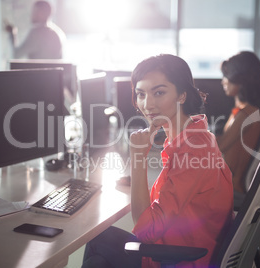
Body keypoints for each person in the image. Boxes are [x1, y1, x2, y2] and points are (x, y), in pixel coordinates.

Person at [82, 54, 234, 268]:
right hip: (190, 245)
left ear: (182, 95)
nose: (147, 104)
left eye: (159, 92)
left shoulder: (192, 151)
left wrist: (137, 159)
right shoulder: (196, 135)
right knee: (98, 246)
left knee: (98, 247)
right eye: (141, 94)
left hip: (182, 258)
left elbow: (146, 230)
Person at [216, 51, 260, 196]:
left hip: (230, 186)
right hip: (229, 179)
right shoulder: (251, 111)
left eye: (226, 76)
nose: (223, 81)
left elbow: (217, 149)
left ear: (240, 79)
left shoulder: (246, 114)